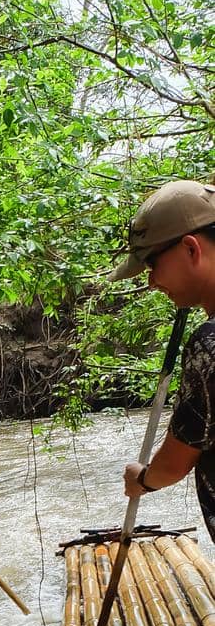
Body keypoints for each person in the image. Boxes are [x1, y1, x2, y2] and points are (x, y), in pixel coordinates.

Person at [112, 179, 215, 541]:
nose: (152, 281)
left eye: (152, 265)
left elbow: (176, 461)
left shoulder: (209, 345)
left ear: (190, 249)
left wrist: (142, 478)